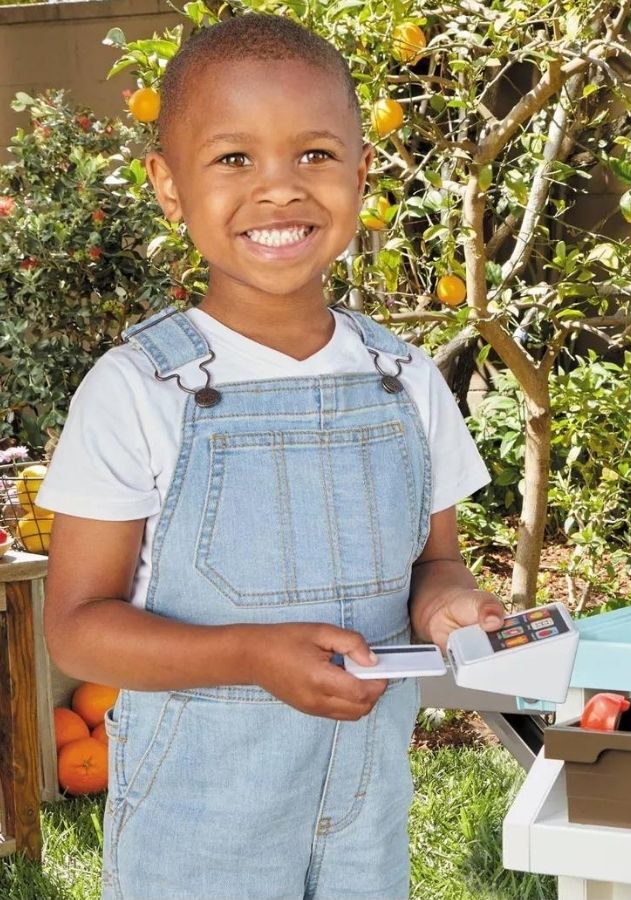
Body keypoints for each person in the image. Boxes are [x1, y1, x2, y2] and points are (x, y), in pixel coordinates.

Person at [38, 14, 503, 899]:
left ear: (363, 176)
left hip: (366, 812)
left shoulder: (404, 378)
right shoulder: (137, 390)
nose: (280, 190)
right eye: (233, 159)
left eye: (316, 156)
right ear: (169, 187)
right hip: (198, 829)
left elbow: (435, 564)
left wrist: (450, 610)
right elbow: (77, 626)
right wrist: (250, 654)